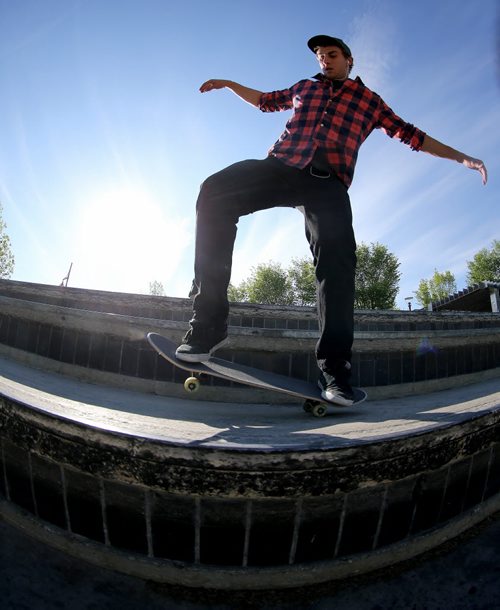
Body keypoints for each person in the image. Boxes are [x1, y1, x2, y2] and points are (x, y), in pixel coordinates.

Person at [175, 34, 488, 406]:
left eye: (332, 55)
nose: (325, 60)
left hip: (327, 186)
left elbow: (412, 136)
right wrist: (229, 85)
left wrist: (462, 158)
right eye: (321, 55)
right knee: (213, 192)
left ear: (349, 61)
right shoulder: (303, 87)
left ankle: (336, 373)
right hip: (281, 167)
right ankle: (209, 324)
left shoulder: (370, 102)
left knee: (337, 266)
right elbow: (264, 101)